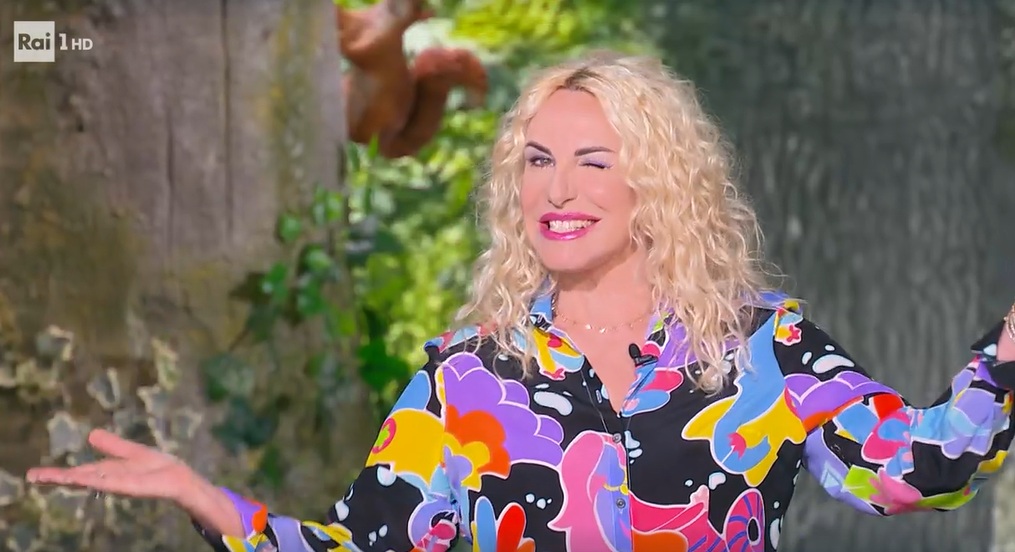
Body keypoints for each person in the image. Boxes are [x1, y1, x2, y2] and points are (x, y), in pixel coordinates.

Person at [25, 51, 1015, 552]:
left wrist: (1007, 355)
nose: (557, 189)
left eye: (593, 162)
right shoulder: (466, 378)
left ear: (659, 186)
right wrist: (204, 499)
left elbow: (922, 470)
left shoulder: (767, 348)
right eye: (537, 161)